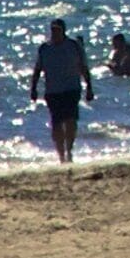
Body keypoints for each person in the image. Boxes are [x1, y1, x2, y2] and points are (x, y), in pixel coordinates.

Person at [28, 17, 93, 164]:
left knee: (71, 121)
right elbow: (37, 70)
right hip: (53, 91)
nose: (54, 33)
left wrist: (89, 87)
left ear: (64, 31)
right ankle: (61, 155)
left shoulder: (73, 46)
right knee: (56, 124)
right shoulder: (45, 49)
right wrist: (33, 89)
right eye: (53, 30)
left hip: (71, 88)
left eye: (57, 30)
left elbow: (83, 67)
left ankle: (69, 150)